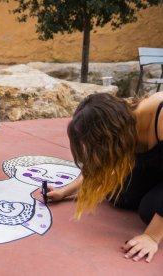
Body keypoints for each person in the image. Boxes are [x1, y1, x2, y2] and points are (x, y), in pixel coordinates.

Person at [47, 92, 163, 263]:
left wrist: (152, 236)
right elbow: (101, 163)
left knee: (150, 210)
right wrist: (64, 192)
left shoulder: (159, 116)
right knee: (120, 195)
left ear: (112, 136)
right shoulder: (125, 126)